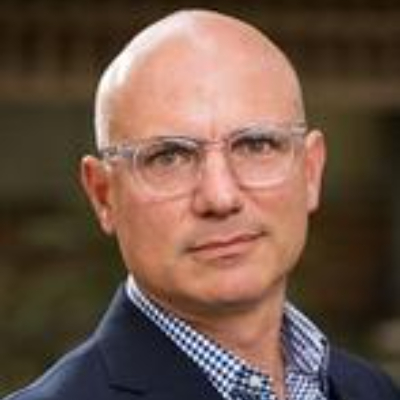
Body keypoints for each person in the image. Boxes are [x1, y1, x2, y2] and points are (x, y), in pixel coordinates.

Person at [3, 9, 400, 400]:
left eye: (256, 145)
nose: (220, 198)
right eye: (169, 157)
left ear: (310, 171)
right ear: (104, 195)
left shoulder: (371, 390)